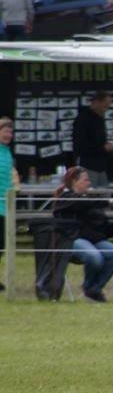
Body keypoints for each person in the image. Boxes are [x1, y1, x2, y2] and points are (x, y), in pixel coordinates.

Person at [52, 167, 113, 302]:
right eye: (85, 180)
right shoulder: (65, 198)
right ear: (75, 181)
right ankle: (90, 288)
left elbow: (104, 230)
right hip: (71, 239)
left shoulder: (89, 200)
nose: (89, 183)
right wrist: (108, 202)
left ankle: (94, 289)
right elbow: (81, 204)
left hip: (93, 240)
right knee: (95, 257)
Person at [72, 91, 113, 187]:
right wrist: (103, 148)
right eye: (105, 106)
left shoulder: (100, 119)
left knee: (104, 196)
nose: (106, 109)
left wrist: (110, 148)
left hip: (101, 166)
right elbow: (81, 145)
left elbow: (100, 141)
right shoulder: (83, 119)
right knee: (90, 196)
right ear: (96, 102)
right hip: (88, 167)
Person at [0, 116, 21, 292]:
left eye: (10, 132)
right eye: (5, 131)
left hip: (5, 205)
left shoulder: (7, 152)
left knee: (1, 244)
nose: (9, 135)